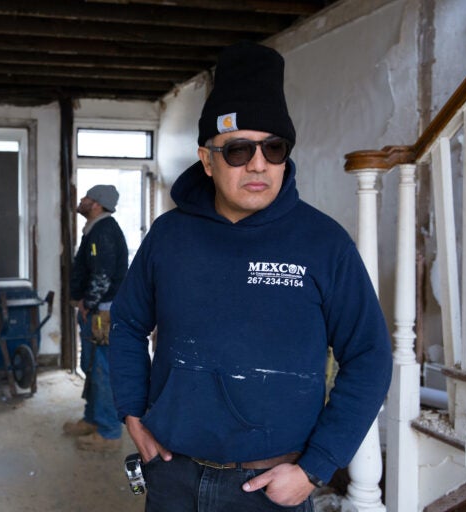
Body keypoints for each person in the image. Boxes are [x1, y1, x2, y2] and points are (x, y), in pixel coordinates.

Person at [109, 42, 393, 511]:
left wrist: (314, 467)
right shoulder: (170, 236)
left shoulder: (323, 244)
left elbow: (369, 355)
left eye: (273, 148)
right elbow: (127, 323)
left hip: (268, 491)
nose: (258, 164)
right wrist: (132, 413)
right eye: (239, 150)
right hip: (172, 478)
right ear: (207, 159)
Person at [64, 184, 129, 452]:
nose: (81, 200)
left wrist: (88, 304)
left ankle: (109, 432)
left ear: (98, 205)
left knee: (102, 369)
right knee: (91, 365)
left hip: (102, 312)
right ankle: (92, 419)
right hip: (96, 309)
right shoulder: (96, 230)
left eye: (87, 197)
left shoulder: (104, 232)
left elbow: (102, 276)